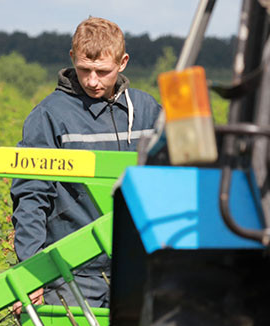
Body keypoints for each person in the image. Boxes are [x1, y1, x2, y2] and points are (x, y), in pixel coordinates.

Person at [10, 16, 161, 310]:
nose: (92, 81)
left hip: (136, 269)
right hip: (71, 272)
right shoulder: (50, 115)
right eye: (84, 70)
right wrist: (30, 272)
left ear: (123, 62)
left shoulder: (146, 111)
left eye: (102, 72)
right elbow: (31, 195)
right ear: (72, 59)